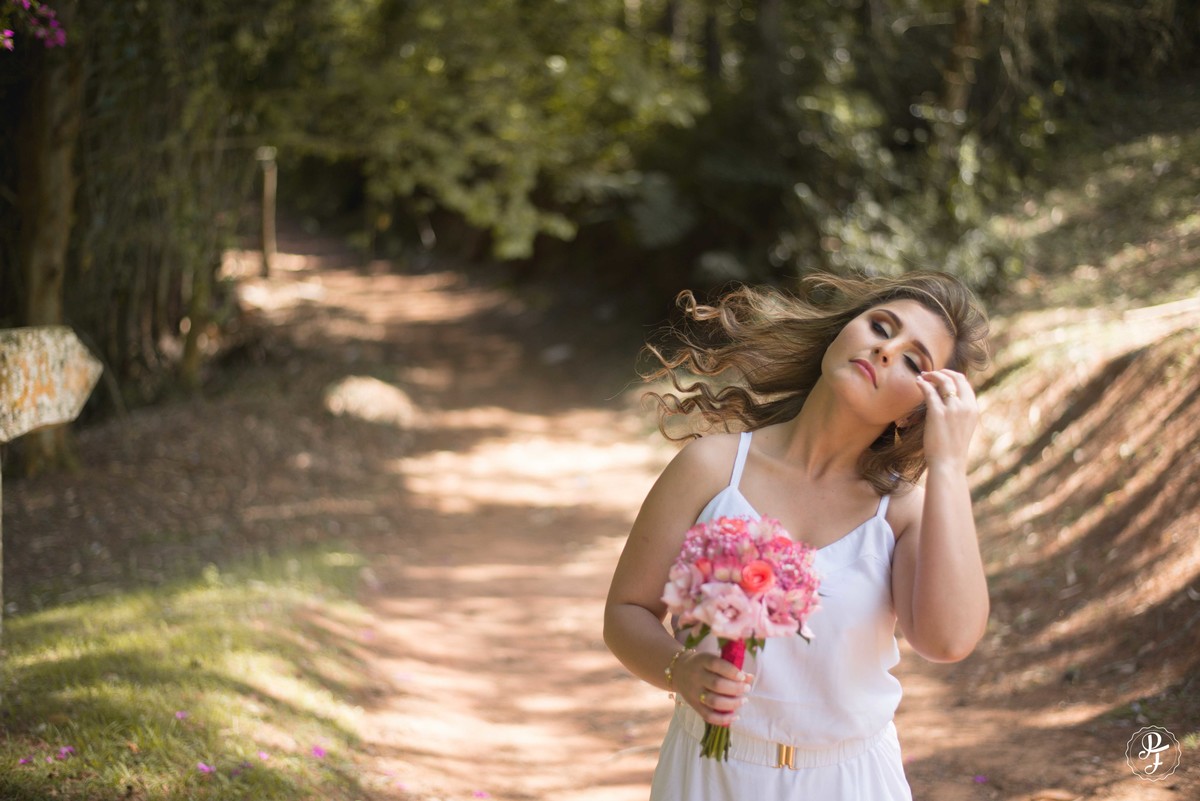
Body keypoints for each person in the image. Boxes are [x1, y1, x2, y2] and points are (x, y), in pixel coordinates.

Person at [604, 271, 991, 800]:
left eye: (912, 361)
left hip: (850, 782)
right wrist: (681, 668)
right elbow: (626, 611)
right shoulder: (712, 468)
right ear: (842, 331)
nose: (884, 350)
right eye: (881, 326)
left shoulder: (901, 514)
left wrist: (947, 464)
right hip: (708, 775)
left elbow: (947, 640)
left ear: (914, 414)